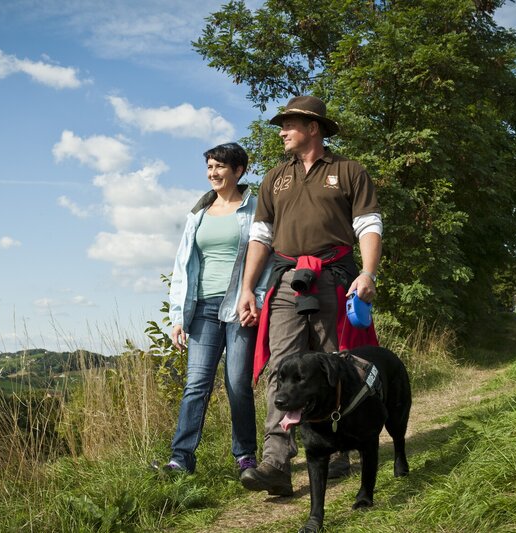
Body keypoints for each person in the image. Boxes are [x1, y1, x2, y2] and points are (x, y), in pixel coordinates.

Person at [235, 95, 382, 496]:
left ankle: (338, 450)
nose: (282, 131)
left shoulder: (349, 171)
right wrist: (248, 288)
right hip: (286, 281)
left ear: (312, 128)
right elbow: (261, 236)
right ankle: (276, 463)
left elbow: (369, 224)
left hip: (334, 277)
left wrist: (367, 273)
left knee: (334, 364)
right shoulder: (274, 178)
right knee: (281, 366)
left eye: (289, 124)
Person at [159, 142, 269, 475]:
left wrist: (257, 298)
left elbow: (267, 258)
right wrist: (178, 317)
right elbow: (182, 266)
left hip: (240, 306)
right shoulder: (198, 214)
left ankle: (245, 455)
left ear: (239, 170)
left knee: (237, 383)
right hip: (203, 308)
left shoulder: (255, 209)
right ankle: (181, 458)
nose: (213, 173)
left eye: (220, 166)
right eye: (209, 167)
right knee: (196, 384)